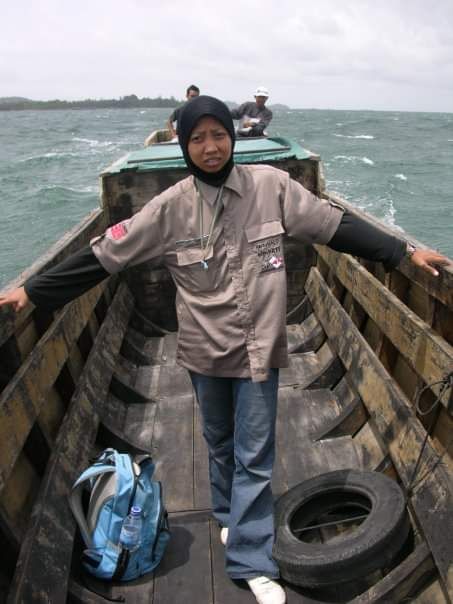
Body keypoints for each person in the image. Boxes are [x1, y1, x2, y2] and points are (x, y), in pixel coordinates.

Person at [0, 96, 448, 604]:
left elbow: (334, 226)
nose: (210, 147)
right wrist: (32, 292)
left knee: (254, 456)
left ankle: (250, 562)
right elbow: (104, 254)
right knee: (218, 443)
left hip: (260, 347)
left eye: (218, 135)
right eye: (197, 138)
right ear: (185, 146)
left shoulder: (272, 187)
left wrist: (404, 251)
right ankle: (230, 519)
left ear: (232, 138)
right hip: (203, 350)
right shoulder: (168, 209)